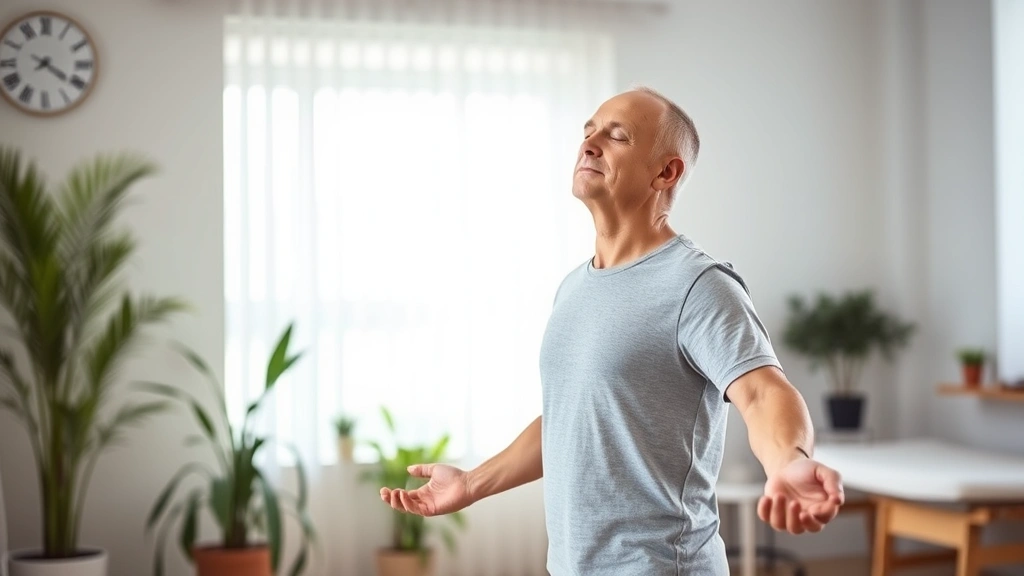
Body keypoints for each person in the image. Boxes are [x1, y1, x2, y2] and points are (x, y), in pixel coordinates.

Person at [378, 86, 845, 575]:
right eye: (588, 132)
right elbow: (574, 418)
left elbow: (764, 393)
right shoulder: (574, 288)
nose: (590, 143)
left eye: (617, 136)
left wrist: (789, 461)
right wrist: (472, 483)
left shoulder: (699, 285)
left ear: (666, 172)